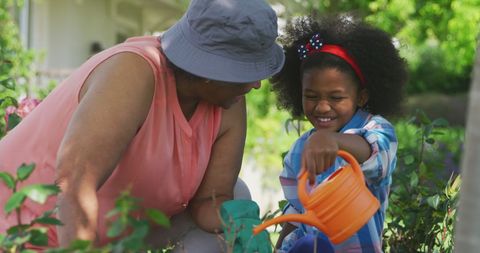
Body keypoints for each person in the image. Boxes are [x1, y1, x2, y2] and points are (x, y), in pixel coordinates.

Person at [0, 0, 284, 252]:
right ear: (210, 71)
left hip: (115, 236)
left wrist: (245, 227)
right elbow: (74, 183)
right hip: (26, 230)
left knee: (238, 194)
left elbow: (212, 200)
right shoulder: (134, 72)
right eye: (246, 72)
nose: (256, 83)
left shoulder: (229, 99)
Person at [270, 14, 407, 252]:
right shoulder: (300, 150)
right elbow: (295, 214)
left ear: (361, 96)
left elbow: (376, 152)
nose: (322, 107)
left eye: (336, 98)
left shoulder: (376, 129)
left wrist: (334, 141)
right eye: (311, 96)